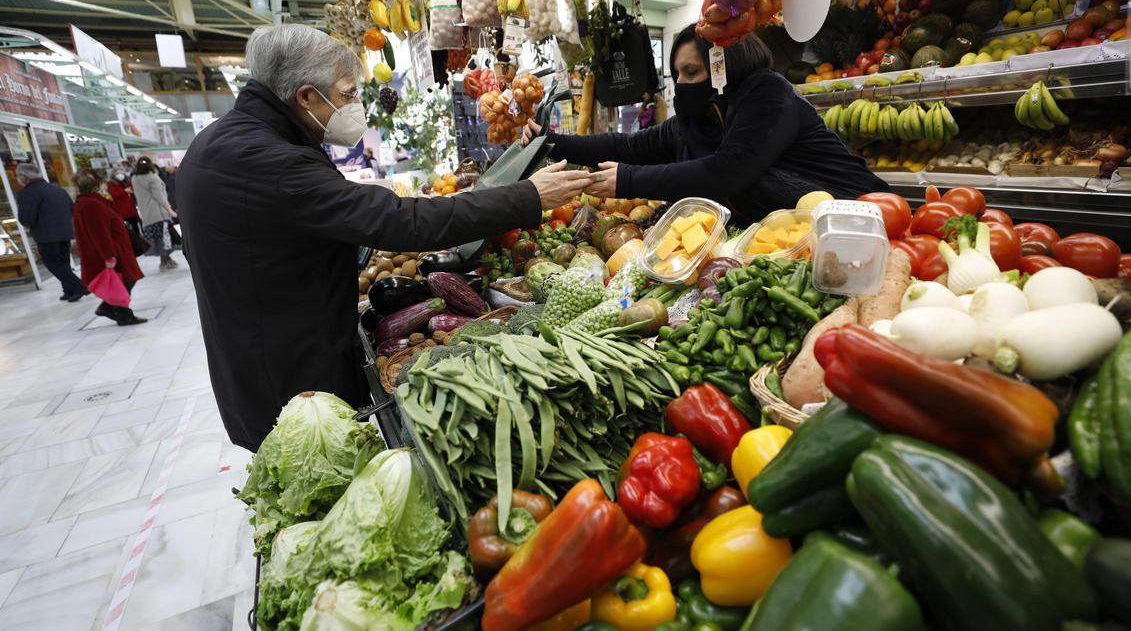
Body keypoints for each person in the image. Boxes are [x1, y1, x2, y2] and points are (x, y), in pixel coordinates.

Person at [175, 24, 592, 451]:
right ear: (304, 96)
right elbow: (398, 220)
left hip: (256, 364)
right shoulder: (266, 160)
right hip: (290, 384)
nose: (355, 105)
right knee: (317, 483)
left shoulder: (217, 143)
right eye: (347, 94)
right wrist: (529, 196)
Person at [523, 27, 889, 225]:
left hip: (860, 214)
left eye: (692, 72)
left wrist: (628, 180)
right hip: (796, 234)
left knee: (746, 178)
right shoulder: (694, 120)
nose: (682, 83)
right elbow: (629, 146)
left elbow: (727, 171)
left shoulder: (767, 94)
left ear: (723, 67)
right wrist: (552, 142)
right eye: (677, 74)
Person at [72, 171, 147, 326]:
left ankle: (114, 311)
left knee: (126, 280)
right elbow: (99, 233)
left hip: (117, 248)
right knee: (125, 281)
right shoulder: (91, 204)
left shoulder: (91, 202)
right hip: (114, 250)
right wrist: (108, 256)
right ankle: (119, 313)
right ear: (98, 185)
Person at [14, 163, 89, 302]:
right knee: (63, 262)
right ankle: (69, 291)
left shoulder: (27, 193)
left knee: (53, 263)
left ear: (24, 177)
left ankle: (80, 287)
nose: (17, 179)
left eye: (18, 176)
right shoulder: (57, 189)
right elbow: (71, 208)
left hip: (46, 235)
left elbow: (26, 218)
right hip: (65, 232)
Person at [131, 157, 179, 270]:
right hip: (158, 212)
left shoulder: (135, 178)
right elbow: (159, 196)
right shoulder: (152, 178)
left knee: (157, 238)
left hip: (146, 213)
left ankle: (166, 260)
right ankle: (165, 260)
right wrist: (169, 209)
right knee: (164, 237)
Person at [107, 169, 140, 235]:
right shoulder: (111, 184)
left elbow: (133, 189)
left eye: (121, 172)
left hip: (131, 209)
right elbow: (114, 194)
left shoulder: (127, 181)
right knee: (126, 228)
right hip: (121, 210)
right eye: (117, 173)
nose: (120, 174)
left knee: (135, 227)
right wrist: (124, 191)